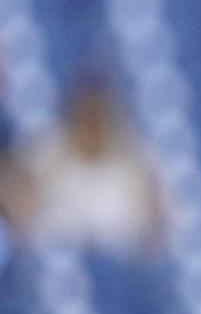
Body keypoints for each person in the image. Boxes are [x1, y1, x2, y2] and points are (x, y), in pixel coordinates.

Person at [19, 79, 166, 256]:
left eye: (98, 116)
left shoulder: (136, 157)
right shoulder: (48, 150)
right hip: (57, 252)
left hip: (121, 259)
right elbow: (23, 210)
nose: (91, 125)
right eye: (85, 116)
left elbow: (157, 228)